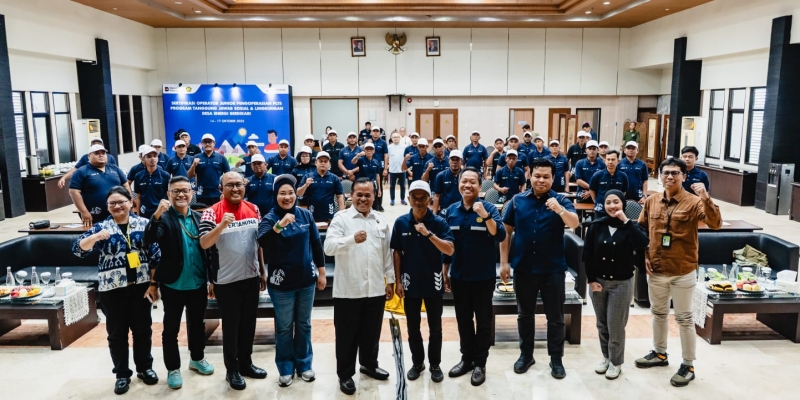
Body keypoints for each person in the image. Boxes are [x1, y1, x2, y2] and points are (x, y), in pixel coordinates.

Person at [635, 158, 722, 387]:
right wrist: (644, 256)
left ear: (684, 176)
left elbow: (715, 224)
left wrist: (706, 198)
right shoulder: (652, 201)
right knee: (658, 313)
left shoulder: (694, 202)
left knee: (684, 318)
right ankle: (659, 353)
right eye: (666, 173)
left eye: (675, 173)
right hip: (656, 269)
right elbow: (641, 231)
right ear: (660, 176)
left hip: (682, 270)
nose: (670, 177)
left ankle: (688, 364)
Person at [72, 186, 161, 395]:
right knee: (116, 334)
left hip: (140, 288)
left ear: (131, 202)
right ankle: (122, 374)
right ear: (107, 206)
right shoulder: (102, 227)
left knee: (143, 331)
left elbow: (156, 256)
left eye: (121, 202)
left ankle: (145, 368)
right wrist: (94, 238)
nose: (117, 206)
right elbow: (77, 249)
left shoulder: (144, 225)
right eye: (112, 203)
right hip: (112, 290)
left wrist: (154, 285)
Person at [499, 158, 579, 380]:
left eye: (546, 176)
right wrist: (504, 262)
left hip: (553, 269)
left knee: (556, 318)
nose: (541, 180)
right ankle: (526, 355)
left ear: (553, 178)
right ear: (530, 176)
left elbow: (574, 223)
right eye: (537, 175)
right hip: (524, 268)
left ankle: (556, 359)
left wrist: (560, 210)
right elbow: (505, 232)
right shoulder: (517, 201)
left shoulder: (561, 200)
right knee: (525, 315)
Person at [323, 177, 395, 396]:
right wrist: (351, 239)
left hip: (375, 288)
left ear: (375, 195)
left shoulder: (381, 219)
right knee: (346, 336)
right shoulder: (341, 218)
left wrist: (390, 280)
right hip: (349, 290)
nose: (363, 199)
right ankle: (345, 374)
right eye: (359, 195)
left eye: (367, 195)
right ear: (351, 195)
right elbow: (328, 247)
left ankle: (369, 364)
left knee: (371, 332)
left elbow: (387, 254)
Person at [144, 176, 216, 390]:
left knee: (197, 325)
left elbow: (209, 251)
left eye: (185, 190)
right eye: (176, 191)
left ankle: (197, 358)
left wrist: (211, 279)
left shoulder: (199, 217)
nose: (181, 194)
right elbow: (149, 239)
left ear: (192, 193)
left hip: (198, 282)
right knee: (171, 329)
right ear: (169, 194)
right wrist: (157, 214)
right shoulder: (164, 218)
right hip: (173, 284)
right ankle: (173, 368)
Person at [198, 172, 268, 390]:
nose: (235, 189)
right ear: (221, 189)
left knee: (248, 325)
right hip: (226, 281)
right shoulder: (211, 212)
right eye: (230, 185)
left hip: (251, 277)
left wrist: (262, 270)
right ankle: (232, 370)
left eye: (239, 184)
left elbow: (258, 243)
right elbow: (204, 243)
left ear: (244, 186)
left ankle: (246, 364)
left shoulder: (254, 209)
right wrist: (221, 226)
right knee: (231, 328)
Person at [258, 174, 327, 387]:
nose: (287, 197)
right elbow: (263, 241)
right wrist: (279, 226)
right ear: (275, 195)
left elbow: (316, 244)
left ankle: (304, 365)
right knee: (284, 327)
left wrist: (322, 272)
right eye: (282, 193)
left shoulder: (305, 215)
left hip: (306, 281)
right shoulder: (270, 218)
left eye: (290, 193)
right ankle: (285, 367)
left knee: (304, 324)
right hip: (281, 285)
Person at [443, 167, 506, 386]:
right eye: (464, 181)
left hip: (483, 278)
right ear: (458, 183)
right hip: (459, 276)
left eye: (472, 182)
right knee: (463, 320)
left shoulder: (489, 208)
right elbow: (447, 245)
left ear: (480, 186)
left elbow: (500, 235)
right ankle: (466, 359)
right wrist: (445, 271)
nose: (467, 185)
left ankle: (480, 363)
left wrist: (485, 216)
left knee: (483, 321)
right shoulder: (451, 210)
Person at [391, 180, 455, 383]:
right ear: (408, 198)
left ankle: (435, 364)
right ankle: (417, 363)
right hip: (410, 282)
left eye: (423, 197)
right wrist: (398, 281)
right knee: (413, 327)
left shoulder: (439, 222)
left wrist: (428, 234)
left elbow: (449, 250)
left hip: (433, 282)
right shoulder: (401, 222)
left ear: (430, 199)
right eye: (414, 197)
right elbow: (397, 253)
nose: (418, 201)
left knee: (435, 327)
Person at [583, 189, 649, 380]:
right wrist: (591, 280)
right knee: (602, 324)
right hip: (598, 283)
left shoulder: (630, 227)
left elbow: (643, 242)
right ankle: (606, 357)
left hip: (622, 283)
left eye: (616, 202)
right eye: (608, 202)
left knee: (616, 326)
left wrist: (626, 221)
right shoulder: (596, 225)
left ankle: (616, 362)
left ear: (623, 204)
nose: (612, 206)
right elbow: (587, 255)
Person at [69, 144, 130, 226]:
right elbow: (74, 192)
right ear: (89, 156)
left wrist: (129, 203)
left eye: (103, 153)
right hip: (94, 214)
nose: (101, 155)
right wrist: (84, 211)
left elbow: (126, 186)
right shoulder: (81, 172)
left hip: (117, 211)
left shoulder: (115, 169)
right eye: (97, 153)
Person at [296, 151, 345, 222]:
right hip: (312, 215)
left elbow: (340, 196)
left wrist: (342, 214)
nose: (323, 163)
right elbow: (298, 193)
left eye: (325, 161)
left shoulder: (334, 178)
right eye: (320, 161)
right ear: (316, 162)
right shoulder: (308, 176)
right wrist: (305, 185)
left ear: (329, 163)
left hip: (329, 215)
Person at [133, 146, 171, 218]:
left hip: (162, 212)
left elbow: (169, 196)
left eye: (154, 156)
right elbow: (138, 197)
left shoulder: (165, 175)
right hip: (145, 213)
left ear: (157, 158)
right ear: (143, 159)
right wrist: (138, 215)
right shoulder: (138, 176)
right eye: (149, 156)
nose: (152, 158)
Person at [589, 150, 628, 218]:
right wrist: (596, 201)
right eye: (608, 159)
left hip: (616, 210)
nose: (610, 162)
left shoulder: (623, 176)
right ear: (605, 161)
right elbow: (592, 190)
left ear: (618, 161)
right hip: (600, 210)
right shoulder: (597, 175)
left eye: (613, 159)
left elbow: (623, 192)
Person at [195, 134, 231, 206]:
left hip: (217, 194)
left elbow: (228, 175)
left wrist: (225, 191)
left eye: (209, 142)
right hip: (201, 194)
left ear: (214, 143)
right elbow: (190, 175)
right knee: (202, 213)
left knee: (218, 213)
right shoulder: (196, 157)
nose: (207, 144)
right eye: (205, 142)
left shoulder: (221, 158)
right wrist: (193, 165)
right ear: (202, 144)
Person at [352, 142, 383, 211]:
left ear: (374, 151)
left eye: (371, 149)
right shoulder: (361, 160)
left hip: (373, 184)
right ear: (364, 150)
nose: (369, 151)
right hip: (363, 185)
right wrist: (358, 155)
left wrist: (379, 189)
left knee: (374, 204)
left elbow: (377, 175)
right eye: (367, 149)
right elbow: (353, 162)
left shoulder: (376, 162)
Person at [432, 150, 463, 215]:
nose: (455, 162)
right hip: (446, 210)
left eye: (457, 160)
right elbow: (437, 196)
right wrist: (434, 215)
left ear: (461, 161)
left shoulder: (465, 175)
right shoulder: (441, 176)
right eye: (452, 159)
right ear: (449, 161)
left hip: (462, 209)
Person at [367, 126, 389, 211]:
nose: (375, 133)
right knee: (368, 185)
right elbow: (361, 149)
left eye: (377, 131)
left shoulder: (383, 143)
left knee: (379, 186)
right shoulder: (368, 141)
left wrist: (385, 168)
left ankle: (379, 204)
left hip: (379, 167)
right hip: (368, 167)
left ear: (379, 133)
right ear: (371, 132)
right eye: (374, 131)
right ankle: (370, 204)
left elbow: (386, 155)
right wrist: (367, 143)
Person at [387, 131, 407, 206]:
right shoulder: (389, 147)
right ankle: (392, 200)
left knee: (403, 186)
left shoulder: (404, 146)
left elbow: (406, 157)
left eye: (397, 137)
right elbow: (387, 157)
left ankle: (402, 199)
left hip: (402, 169)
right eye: (394, 137)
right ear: (392, 138)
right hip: (392, 169)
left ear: (399, 138)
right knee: (392, 186)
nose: (395, 138)